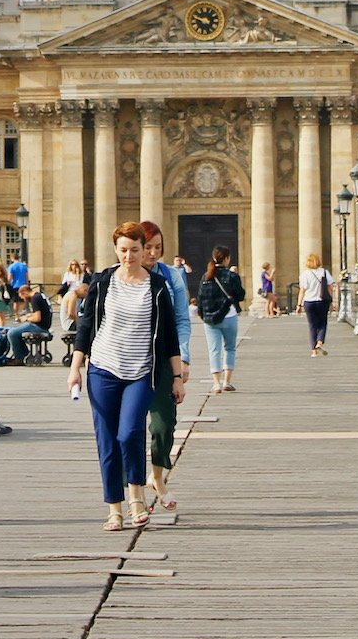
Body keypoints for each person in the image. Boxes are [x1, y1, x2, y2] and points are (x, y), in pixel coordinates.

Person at [69, 222, 186, 531]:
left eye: (135, 249)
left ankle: (135, 496)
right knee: (106, 440)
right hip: (103, 369)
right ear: (115, 250)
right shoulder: (102, 281)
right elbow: (86, 326)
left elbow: (169, 335)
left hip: (140, 371)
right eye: (123, 250)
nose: (130, 256)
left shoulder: (158, 285)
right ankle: (114, 509)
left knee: (129, 432)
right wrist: (75, 368)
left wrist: (176, 375)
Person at [139, 221, 190, 520]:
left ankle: (156, 474)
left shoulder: (171, 277)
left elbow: (182, 321)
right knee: (129, 429)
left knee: (163, 426)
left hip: (162, 361)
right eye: (149, 247)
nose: (153, 253)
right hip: (128, 361)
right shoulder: (115, 277)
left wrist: (183, 361)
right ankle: (132, 496)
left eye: (158, 248)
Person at [196, 246, 245, 393]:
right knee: (229, 348)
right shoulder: (231, 276)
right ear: (226, 259)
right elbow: (241, 295)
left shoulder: (206, 276)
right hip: (229, 316)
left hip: (210, 319)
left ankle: (216, 383)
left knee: (214, 350)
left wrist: (204, 316)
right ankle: (227, 382)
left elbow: (200, 298)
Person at [0, 282, 53, 364]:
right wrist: (29, 315)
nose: (23, 300)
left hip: (39, 326)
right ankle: (25, 354)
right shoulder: (39, 295)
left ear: (25, 292)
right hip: (45, 325)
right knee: (17, 332)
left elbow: (37, 318)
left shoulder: (34, 299)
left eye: (22, 297)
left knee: (12, 333)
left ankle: (19, 358)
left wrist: (26, 318)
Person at [300, 253, 335, 356]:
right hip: (322, 301)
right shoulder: (324, 272)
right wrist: (331, 301)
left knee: (312, 325)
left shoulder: (305, 274)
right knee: (322, 323)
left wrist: (299, 304)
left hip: (309, 301)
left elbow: (302, 290)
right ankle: (319, 342)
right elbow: (330, 287)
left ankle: (313, 352)